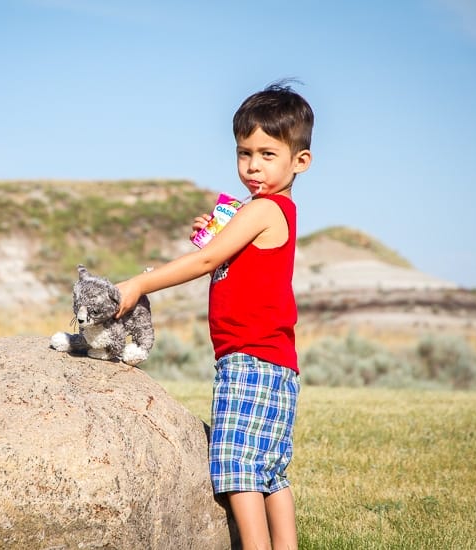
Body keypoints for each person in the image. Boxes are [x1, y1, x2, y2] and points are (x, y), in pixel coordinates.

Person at [115, 81, 313, 550]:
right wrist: (214, 238)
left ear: (299, 161)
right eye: (245, 154)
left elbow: (204, 264)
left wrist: (140, 283)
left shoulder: (264, 208)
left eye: (268, 154)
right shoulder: (266, 210)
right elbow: (220, 258)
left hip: (248, 358)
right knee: (269, 472)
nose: (253, 166)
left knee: (237, 467)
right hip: (275, 360)